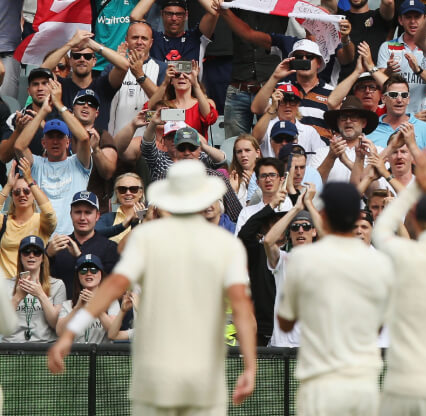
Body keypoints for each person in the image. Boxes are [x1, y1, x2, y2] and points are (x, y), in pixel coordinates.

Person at [47, 160, 258, 410]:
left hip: (159, 377)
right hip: (201, 378)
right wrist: (250, 367)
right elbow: (242, 309)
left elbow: (114, 285)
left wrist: (71, 332)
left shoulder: (147, 238)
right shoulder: (227, 246)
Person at [276, 182, 390, 415]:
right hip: (362, 385)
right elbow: (377, 328)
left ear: (324, 215)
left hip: (319, 386)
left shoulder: (303, 260)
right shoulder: (380, 264)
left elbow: (285, 322)